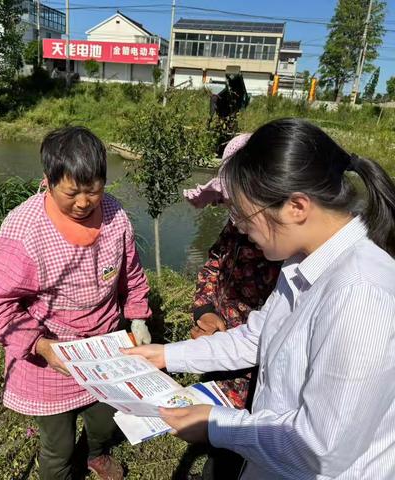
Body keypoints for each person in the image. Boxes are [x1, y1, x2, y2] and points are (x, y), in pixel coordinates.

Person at [123, 118, 395, 479]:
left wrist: (215, 424)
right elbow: (257, 336)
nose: (237, 225)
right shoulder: (302, 262)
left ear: (296, 207)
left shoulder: (361, 296)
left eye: (242, 213)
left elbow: (320, 450)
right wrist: (166, 355)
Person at [0, 126, 152, 480]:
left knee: (104, 420)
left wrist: (138, 318)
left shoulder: (115, 217)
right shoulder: (24, 232)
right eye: (72, 192)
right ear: (47, 179)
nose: (85, 202)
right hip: (50, 356)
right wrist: (42, 346)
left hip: (103, 348)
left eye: (93, 190)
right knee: (57, 448)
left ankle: (98, 454)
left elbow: (131, 275)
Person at [183, 134, 281, 478]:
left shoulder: (289, 255)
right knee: (216, 432)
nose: (233, 217)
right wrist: (205, 312)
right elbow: (213, 265)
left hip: (259, 372)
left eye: (235, 206)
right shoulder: (236, 227)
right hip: (220, 351)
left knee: (243, 441)